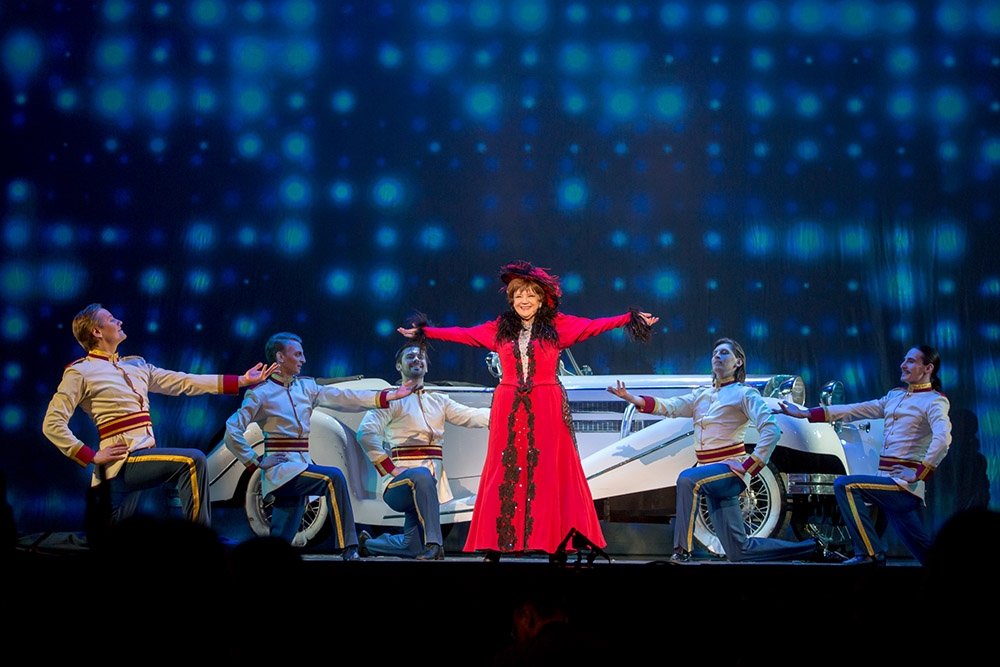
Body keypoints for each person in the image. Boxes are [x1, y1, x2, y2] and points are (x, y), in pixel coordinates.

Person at [398, 260, 658, 561]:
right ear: (511, 299)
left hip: (547, 403)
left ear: (541, 299)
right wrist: (426, 332)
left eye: (530, 295)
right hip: (509, 404)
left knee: (549, 471)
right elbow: (464, 334)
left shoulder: (557, 327)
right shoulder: (499, 329)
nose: (524, 300)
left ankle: (556, 542)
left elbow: (593, 326)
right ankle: (495, 543)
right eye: (518, 295)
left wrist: (629, 318)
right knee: (502, 470)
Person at [41, 303, 276, 533]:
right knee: (192, 461)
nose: (119, 321)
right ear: (96, 332)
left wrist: (241, 381)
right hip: (122, 463)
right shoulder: (81, 372)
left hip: (141, 459)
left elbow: (184, 381)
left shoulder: (136, 365)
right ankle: (198, 543)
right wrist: (91, 455)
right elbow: (52, 424)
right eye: (111, 319)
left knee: (115, 538)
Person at [607, 337, 821, 563]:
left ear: (738, 362)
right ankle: (810, 549)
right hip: (709, 474)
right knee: (739, 551)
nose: (717, 356)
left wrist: (749, 465)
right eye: (715, 353)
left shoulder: (745, 394)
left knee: (687, 479)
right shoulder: (701, 395)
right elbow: (670, 406)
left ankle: (682, 551)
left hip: (730, 472)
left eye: (724, 353)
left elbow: (772, 430)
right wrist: (631, 398)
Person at [223, 331, 414, 560]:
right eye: (297, 354)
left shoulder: (306, 387)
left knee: (279, 541)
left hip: (301, 466)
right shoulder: (261, 394)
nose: (303, 359)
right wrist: (256, 461)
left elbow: (344, 397)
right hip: (282, 471)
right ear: (280, 357)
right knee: (333, 478)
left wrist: (388, 396)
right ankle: (349, 546)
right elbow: (232, 430)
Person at [775, 344, 952, 565]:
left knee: (846, 486)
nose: (903, 365)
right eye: (904, 360)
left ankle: (870, 554)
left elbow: (943, 439)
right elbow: (856, 410)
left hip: (902, 486)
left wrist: (918, 473)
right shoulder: (895, 396)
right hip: (886, 482)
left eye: (911, 361)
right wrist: (807, 413)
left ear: (928, 368)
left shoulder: (934, 401)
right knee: (927, 555)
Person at [355, 342, 490, 560]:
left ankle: (368, 545)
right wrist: (389, 468)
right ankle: (435, 544)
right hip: (399, 485)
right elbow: (365, 433)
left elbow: (470, 415)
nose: (416, 359)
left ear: (426, 366)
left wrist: (503, 413)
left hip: (428, 487)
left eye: (421, 357)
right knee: (422, 475)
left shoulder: (439, 400)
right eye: (410, 357)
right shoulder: (392, 399)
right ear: (399, 366)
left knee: (412, 547)